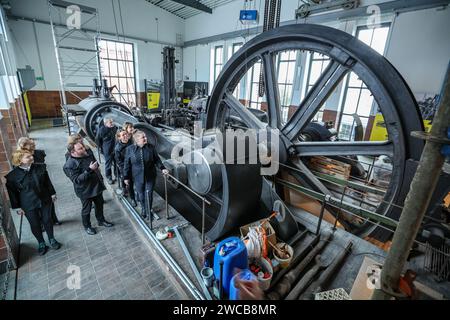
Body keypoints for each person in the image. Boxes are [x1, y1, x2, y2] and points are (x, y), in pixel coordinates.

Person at [5, 150, 61, 255]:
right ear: (19, 160)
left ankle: (52, 239)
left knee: (47, 220)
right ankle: (41, 242)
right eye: (27, 157)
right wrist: (17, 207)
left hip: (44, 199)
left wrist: (52, 193)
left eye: (31, 156)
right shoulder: (12, 176)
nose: (31, 157)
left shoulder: (40, 167)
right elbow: (12, 193)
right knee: (34, 224)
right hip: (28, 203)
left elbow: (47, 182)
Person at [63, 141, 114, 235]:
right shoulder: (69, 165)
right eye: (80, 148)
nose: (83, 149)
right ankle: (87, 226)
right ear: (73, 152)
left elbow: (95, 164)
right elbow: (77, 180)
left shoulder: (87, 154)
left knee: (99, 204)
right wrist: (89, 170)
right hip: (84, 191)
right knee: (87, 209)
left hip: (96, 186)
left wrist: (96, 170)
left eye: (82, 147)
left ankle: (101, 220)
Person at [123, 130, 168, 219]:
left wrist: (162, 168)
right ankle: (143, 208)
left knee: (149, 193)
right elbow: (126, 164)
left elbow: (157, 160)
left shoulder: (151, 147)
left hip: (150, 175)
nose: (146, 138)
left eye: (145, 137)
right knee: (141, 194)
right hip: (137, 176)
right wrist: (126, 177)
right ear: (137, 140)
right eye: (143, 137)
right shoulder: (130, 149)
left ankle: (148, 210)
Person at [16, 137, 60, 225]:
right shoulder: (19, 157)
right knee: (37, 205)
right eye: (31, 145)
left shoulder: (38, 153)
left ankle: (53, 219)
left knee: (48, 202)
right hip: (31, 184)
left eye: (33, 145)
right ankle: (42, 223)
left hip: (41, 180)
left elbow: (44, 170)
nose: (33, 147)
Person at [114, 130, 136, 207]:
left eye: (126, 134)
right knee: (129, 183)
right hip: (125, 168)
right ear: (119, 137)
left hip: (134, 166)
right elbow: (119, 161)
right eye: (123, 135)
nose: (125, 136)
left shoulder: (132, 143)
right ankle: (132, 198)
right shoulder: (118, 148)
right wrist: (127, 167)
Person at [95, 118, 117, 184]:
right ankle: (109, 177)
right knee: (108, 164)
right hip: (107, 149)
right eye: (110, 122)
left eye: (112, 121)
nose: (112, 123)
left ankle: (117, 175)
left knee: (116, 162)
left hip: (115, 148)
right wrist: (102, 148)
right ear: (105, 123)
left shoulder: (114, 128)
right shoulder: (102, 130)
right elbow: (97, 140)